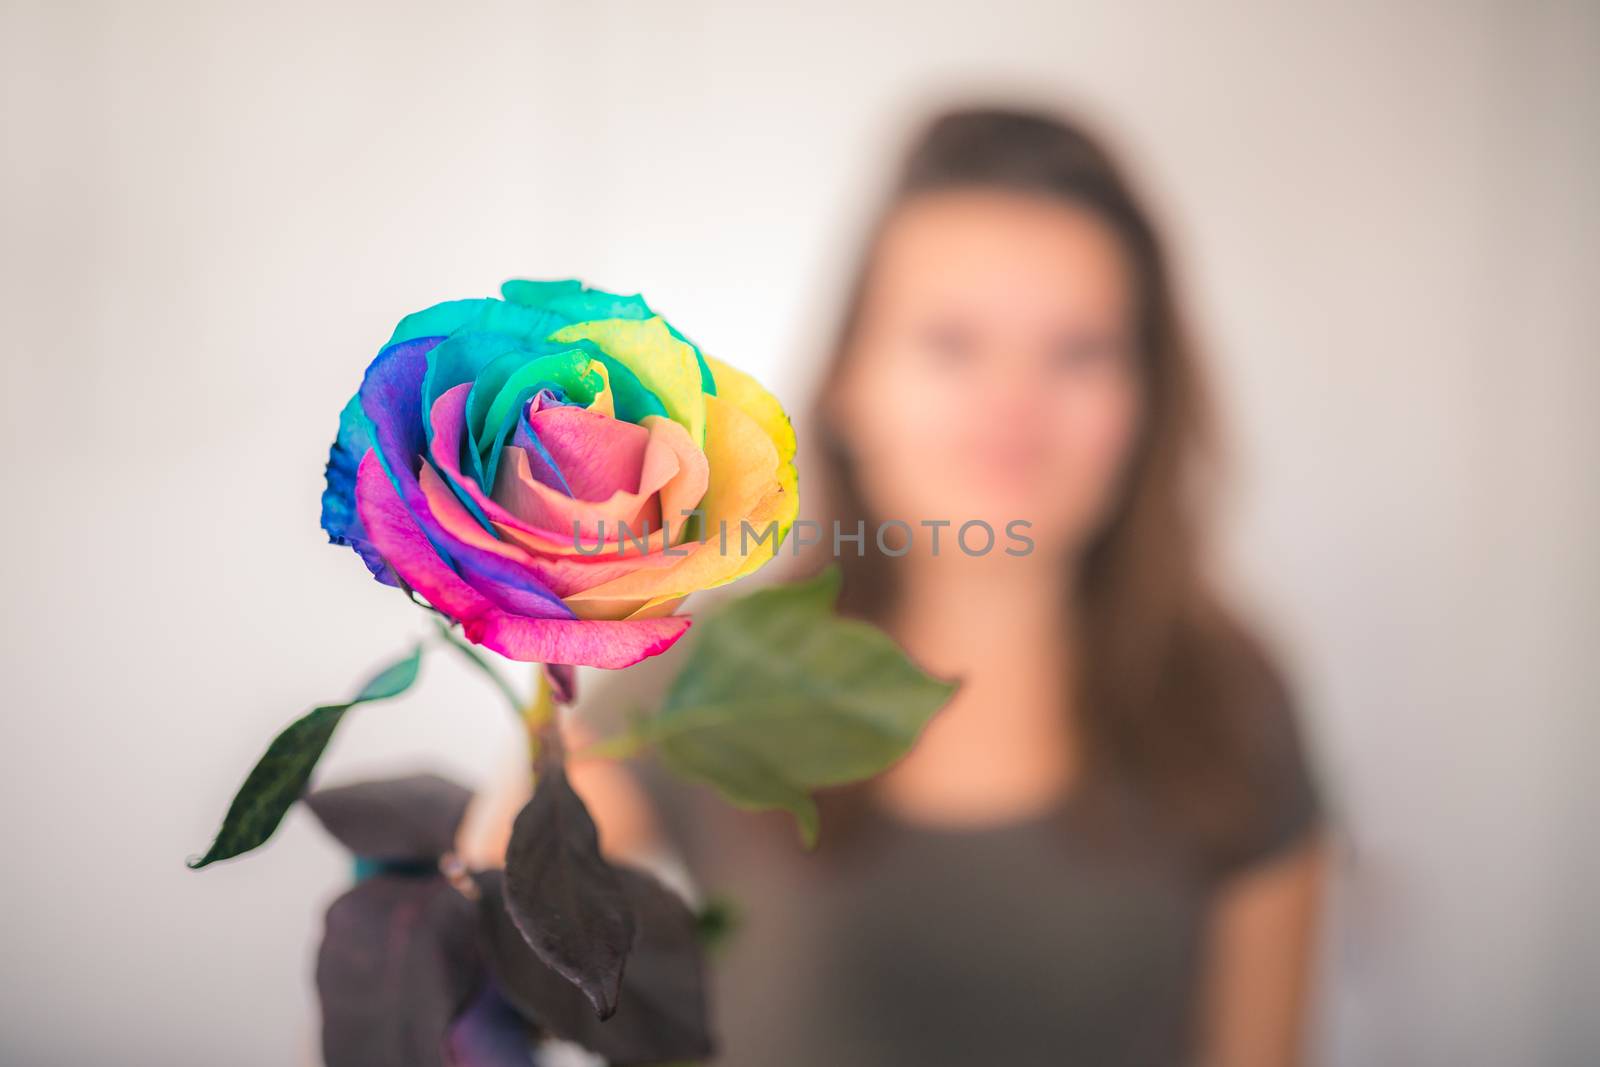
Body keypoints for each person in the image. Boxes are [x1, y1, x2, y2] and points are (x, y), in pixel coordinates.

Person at [475, 104, 1328, 1067]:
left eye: (1079, 350)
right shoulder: (696, 678)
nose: (1014, 403)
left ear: (1149, 396)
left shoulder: (1231, 699)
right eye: (952, 342)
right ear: (850, 384)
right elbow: (458, 983)